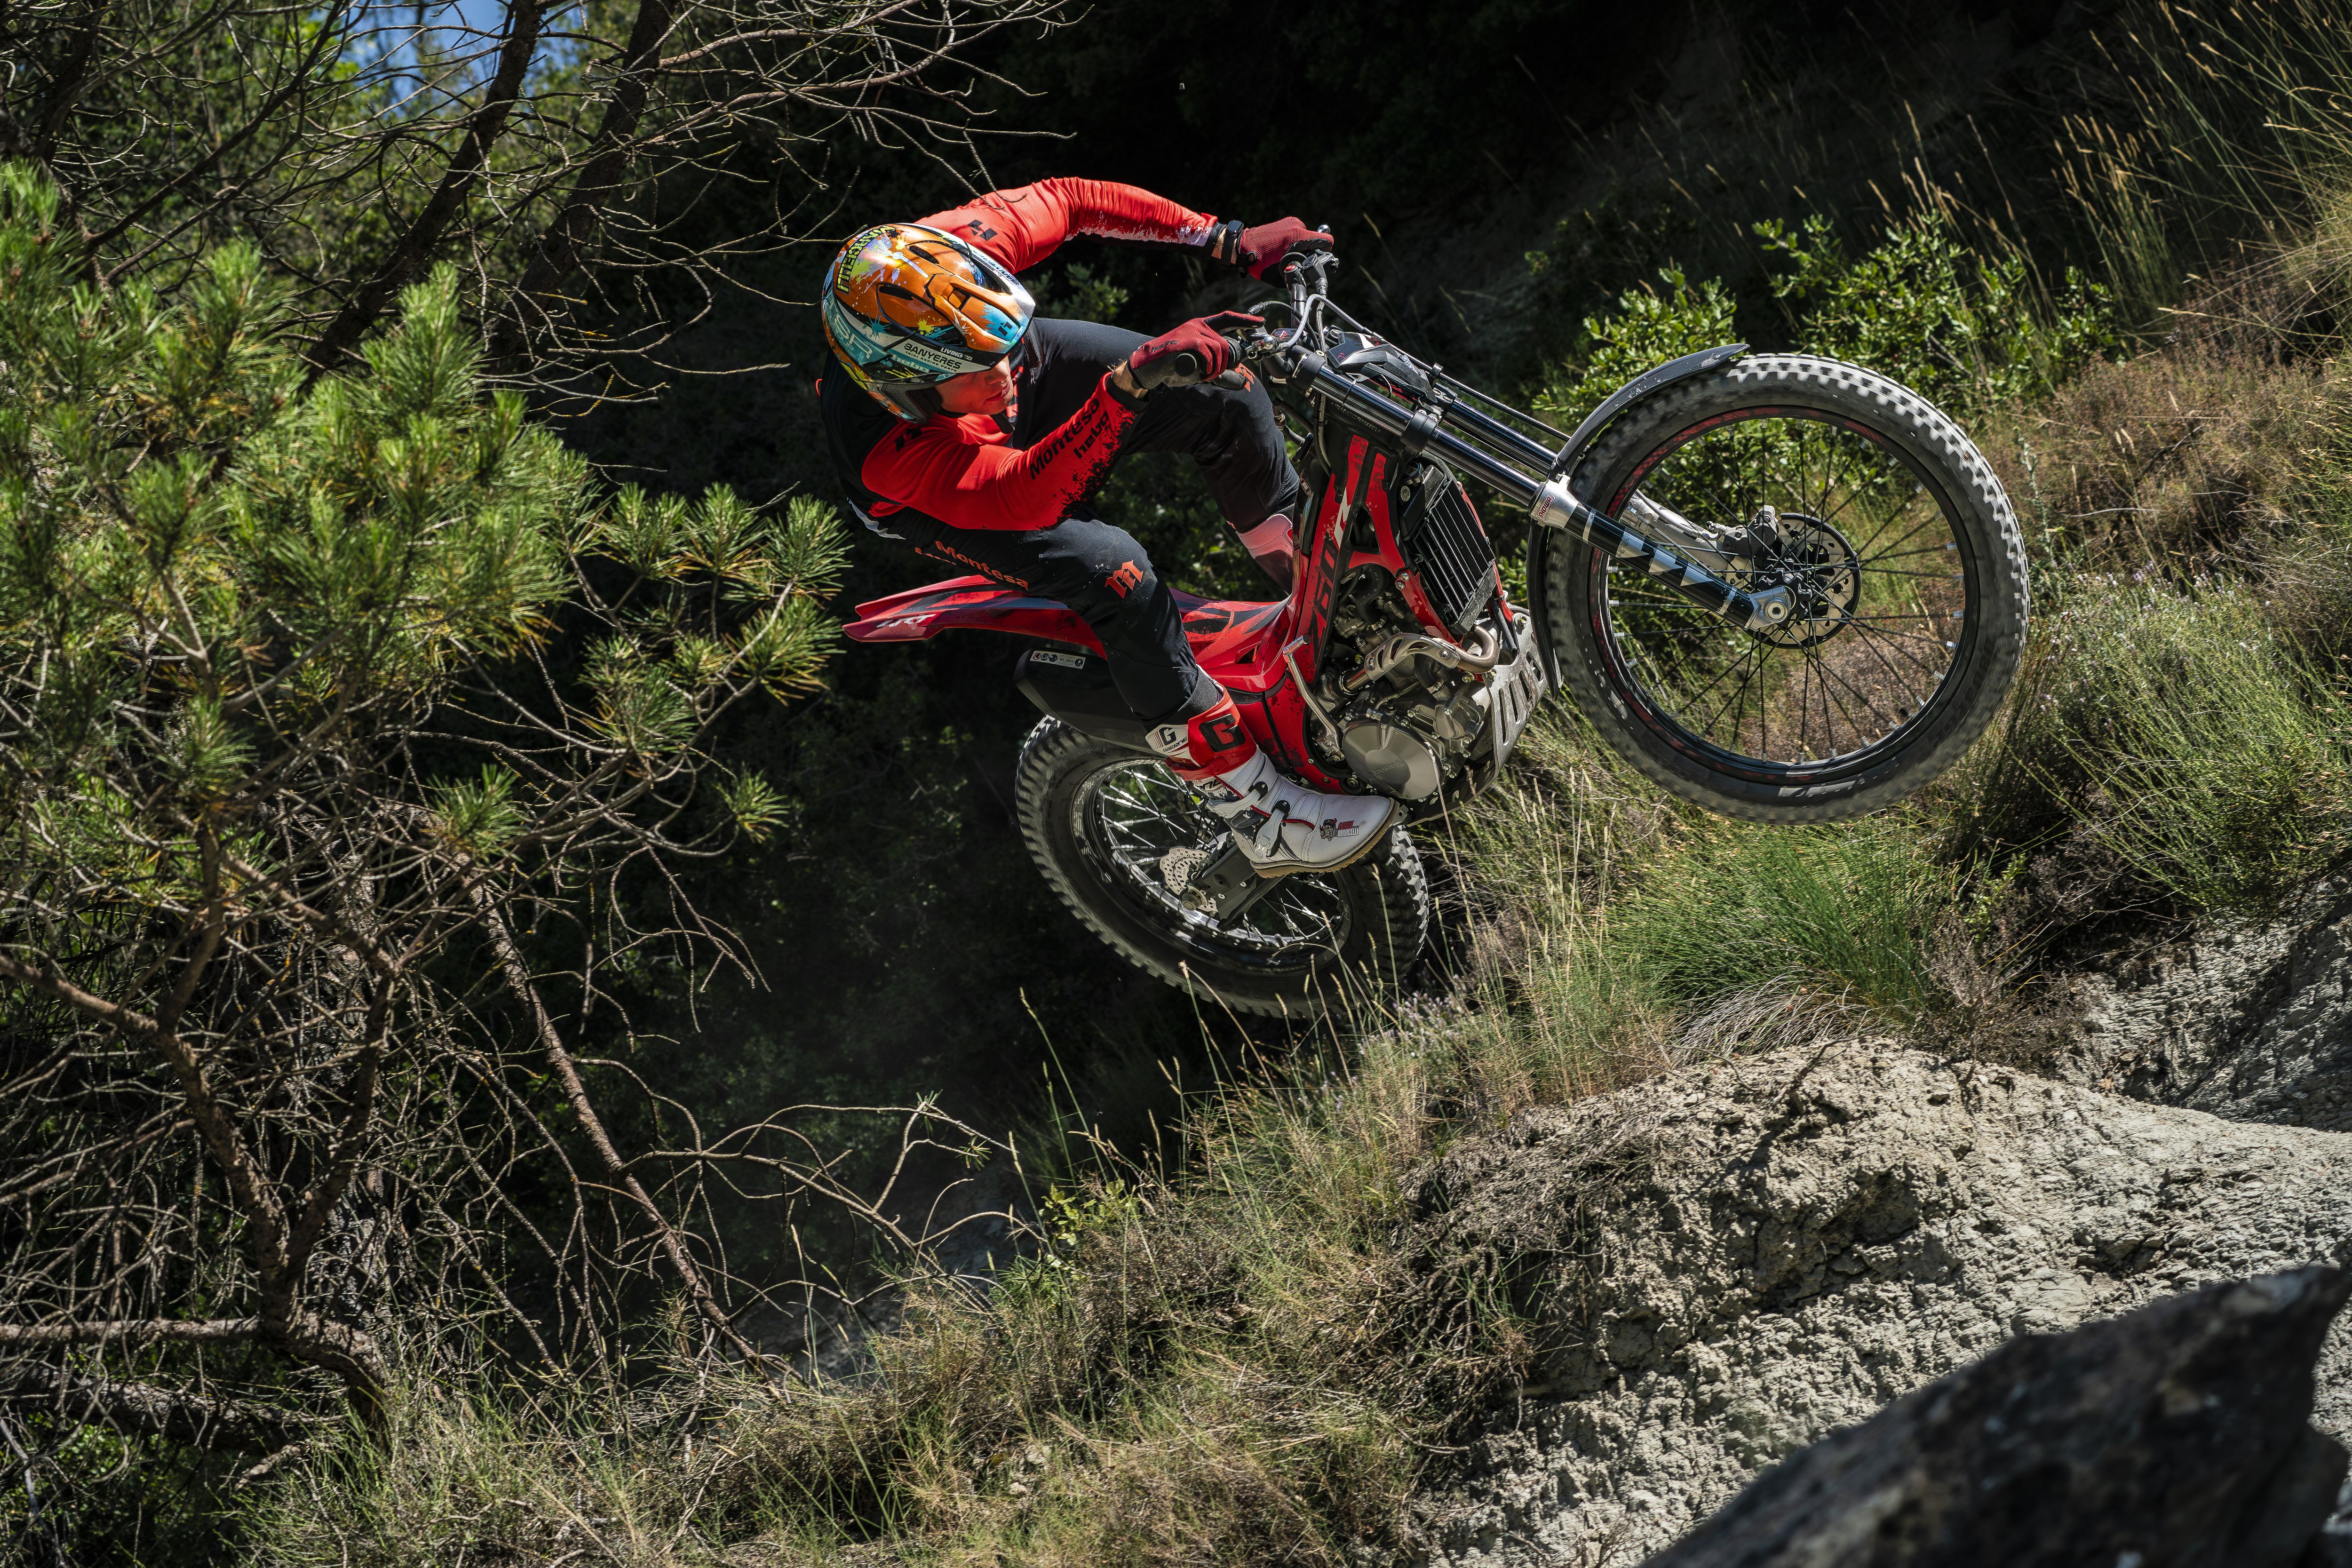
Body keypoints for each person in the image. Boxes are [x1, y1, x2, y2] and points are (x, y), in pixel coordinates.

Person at [817, 178, 1397, 876]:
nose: (1004, 374)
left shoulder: (948, 258)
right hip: (948, 491)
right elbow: (1027, 497)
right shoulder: (888, 451)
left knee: (1227, 397)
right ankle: (1255, 809)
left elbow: (1074, 199)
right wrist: (1125, 389)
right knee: (1114, 572)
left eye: (1003, 348)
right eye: (980, 367)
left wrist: (1227, 239)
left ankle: (1330, 610)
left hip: (975, 393)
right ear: (906, 387)